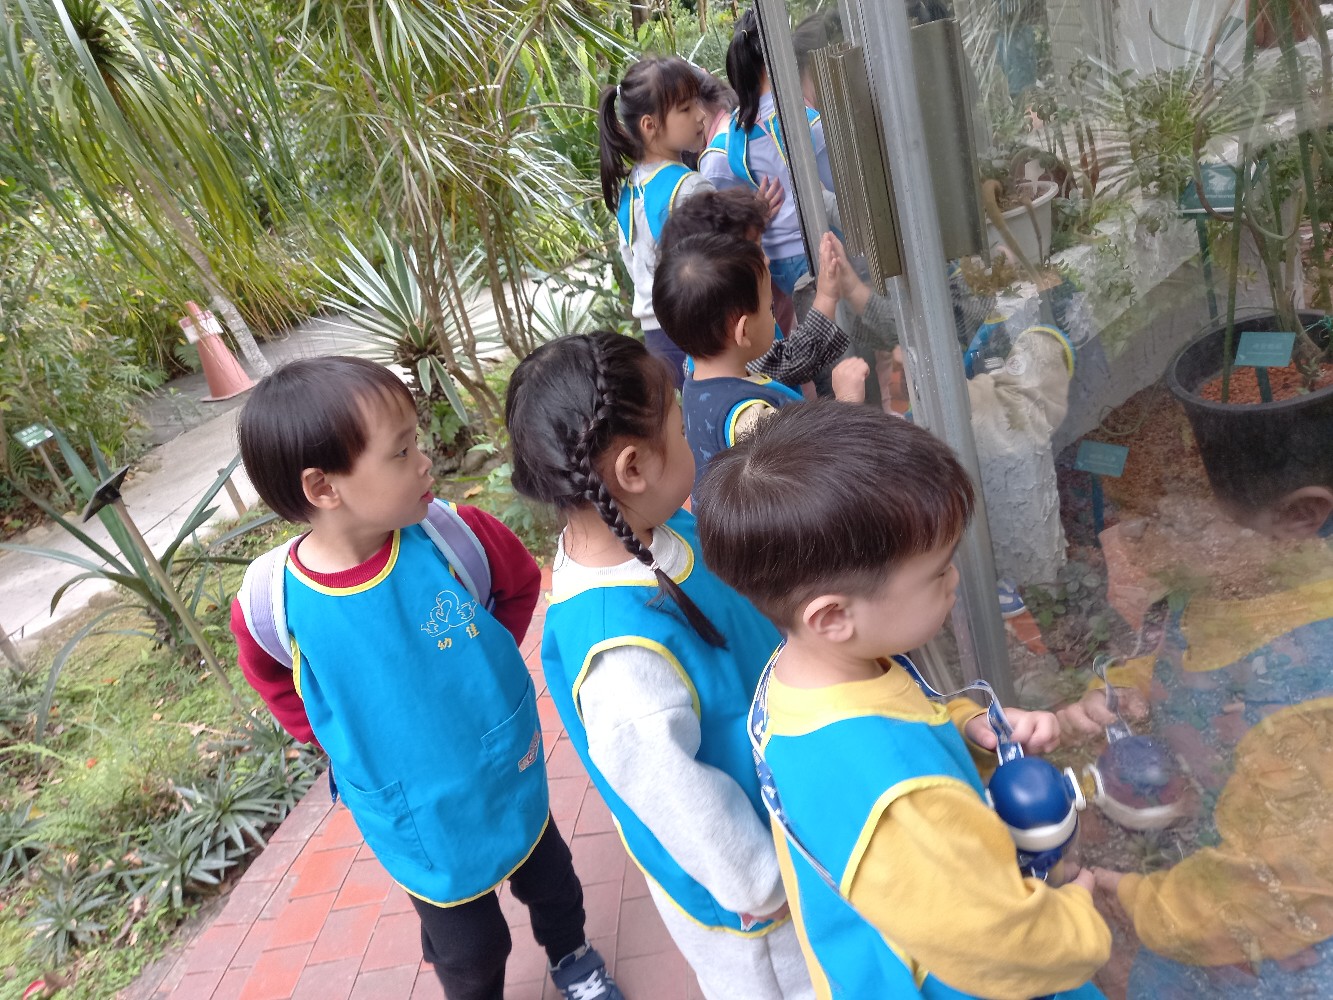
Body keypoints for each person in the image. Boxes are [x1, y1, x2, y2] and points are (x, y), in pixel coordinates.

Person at [228, 357, 622, 1000]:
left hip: (502, 766)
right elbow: (274, 676)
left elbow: (518, 585)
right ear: (323, 488)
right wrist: (328, 737)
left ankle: (573, 957)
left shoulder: (451, 536)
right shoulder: (274, 602)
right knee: (469, 947)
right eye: (402, 451)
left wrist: (481, 661)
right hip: (410, 810)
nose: (425, 462)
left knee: (550, 878)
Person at [694, 400, 1112, 999]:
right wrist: (1079, 918)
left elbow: (901, 717)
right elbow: (1003, 944)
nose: (955, 579)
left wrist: (968, 727)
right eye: (938, 572)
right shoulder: (902, 801)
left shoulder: (798, 677)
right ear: (833, 617)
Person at [505, 332, 813, 1000]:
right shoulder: (621, 660)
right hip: (766, 918)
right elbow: (687, 808)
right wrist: (769, 889)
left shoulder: (657, 529)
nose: (689, 438)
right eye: (679, 426)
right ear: (633, 468)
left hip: (790, 821)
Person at [1058, 405, 1333, 998]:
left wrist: (1131, 897)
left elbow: (1274, 892)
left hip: (1274, 954)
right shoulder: (1235, 583)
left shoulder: (1312, 705)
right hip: (1204, 876)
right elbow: (1178, 647)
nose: (1140, 550)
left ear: (1300, 516)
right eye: (1140, 522)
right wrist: (1124, 688)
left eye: (1178, 525)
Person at [600, 54, 778, 388]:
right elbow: (724, 265)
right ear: (650, 125)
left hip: (658, 337)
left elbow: (634, 263)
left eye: (697, 102)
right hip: (704, 330)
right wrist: (753, 218)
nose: (700, 115)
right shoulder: (689, 187)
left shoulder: (630, 189)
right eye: (685, 109)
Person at [652, 229, 868, 489]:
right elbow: (814, 478)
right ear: (743, 332)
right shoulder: (752, 419)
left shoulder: (694, 379)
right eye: (769, 308)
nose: (772, 314)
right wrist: (848, 402)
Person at [700, 8, 836, 296]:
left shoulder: (736, 134)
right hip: (818, 246)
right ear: (778, 53)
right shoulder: (802, 119)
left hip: (779, 262)